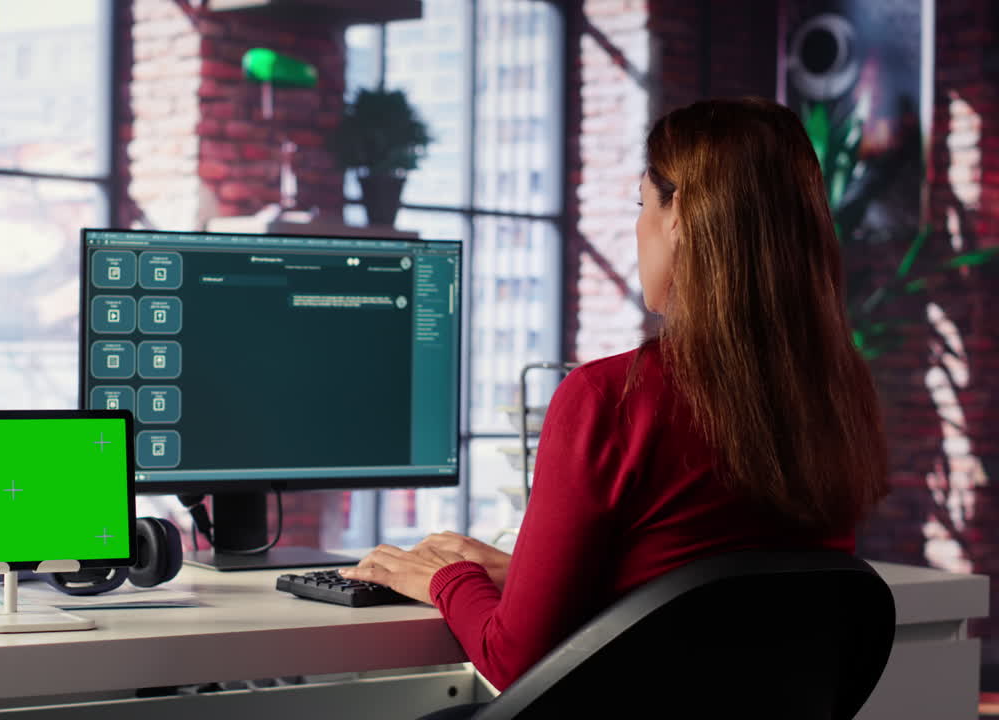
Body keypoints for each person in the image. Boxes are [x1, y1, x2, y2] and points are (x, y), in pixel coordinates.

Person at [340, 97, 890, 693]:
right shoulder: (840, 395)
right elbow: (710, 606)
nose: (637, 227)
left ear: (680, 216)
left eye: (641, 203)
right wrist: (527, 580)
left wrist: (446, 578)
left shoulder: (609, 399)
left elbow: (513, 658)